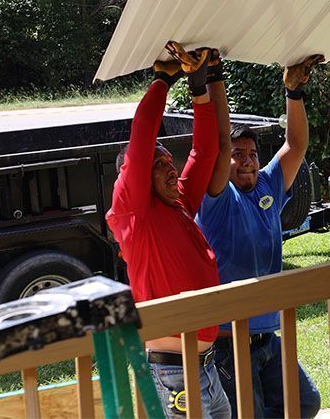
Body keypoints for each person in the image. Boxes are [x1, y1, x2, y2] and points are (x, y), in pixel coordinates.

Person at [106, 42, 231, 419]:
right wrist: (163, 79)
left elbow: (205, 152)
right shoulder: (134, 214)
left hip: (208, 367)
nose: (170, 167)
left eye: (168, 160)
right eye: (159, 164)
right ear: (137, 178)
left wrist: (198, 86)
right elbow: (141, 138)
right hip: (172, 372)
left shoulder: (178, 202)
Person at [196, 55, 325, 418]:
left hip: (266, 339)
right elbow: (218, 144)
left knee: (305, 402)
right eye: (238, 155)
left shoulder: (268, 186)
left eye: (252, 154)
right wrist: (213, 76)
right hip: (227, 343)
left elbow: (296, 145)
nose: (248, 161)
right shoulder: (216, 198)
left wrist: (293, 92)